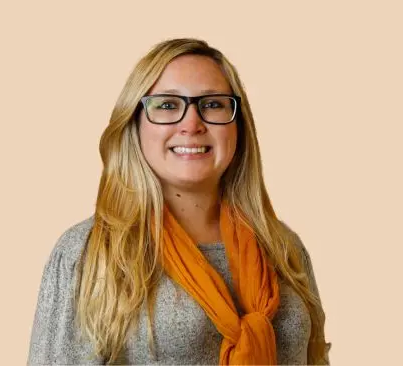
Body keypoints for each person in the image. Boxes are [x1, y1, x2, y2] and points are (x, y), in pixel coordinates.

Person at [27, 38, 331, 365]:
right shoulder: (88, 252)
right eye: (168, 105)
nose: (191, 124)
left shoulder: (282, 247)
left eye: (213, 104)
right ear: (135, 122)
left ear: (238, 126)